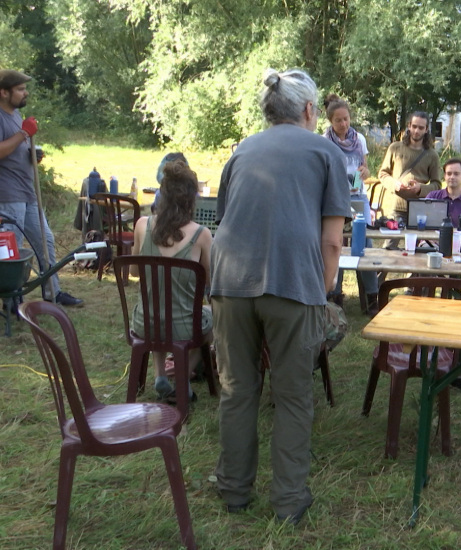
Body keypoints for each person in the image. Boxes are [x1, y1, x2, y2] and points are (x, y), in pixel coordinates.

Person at [211, 68, 350, 523]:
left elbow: (226, 219)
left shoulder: (242, 149)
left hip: (230, 281)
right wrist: (324, 293)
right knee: (292, 396)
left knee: (236, 390)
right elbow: (332, 241)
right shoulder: (325, 151)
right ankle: (289, 502)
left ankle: (233, 490)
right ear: (311, 110)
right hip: (292, 286)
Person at [130, 160, 213, 401]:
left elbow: (134, 271)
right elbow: (210, 281)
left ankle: (160, 376)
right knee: (213, 317)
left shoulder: (142, 226)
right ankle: (182, 378)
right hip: (184, 327)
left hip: (145, 323)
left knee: (158, 306)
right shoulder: (201, 235)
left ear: (161, 195)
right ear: (191, 199)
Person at [0, 70, 82, 307]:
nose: (26, 93)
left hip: (27, 192)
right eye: (20, 89)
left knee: (44, 241)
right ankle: (12, 302)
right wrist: (24, 133)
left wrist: (31, 154)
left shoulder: (16, 115)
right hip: (7, 195)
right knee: (11, 250)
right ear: (4, 92)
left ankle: (53, 292)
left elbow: (13, 149)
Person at [323, 93, 379, 316]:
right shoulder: (324, 142)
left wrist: (364, 172)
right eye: (338, 120)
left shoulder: (360, 139)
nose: (343, 124)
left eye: (346, 119)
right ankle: (335, 295)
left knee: (364, 244)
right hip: (335, 198)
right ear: (330, 121)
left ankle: (372, 296)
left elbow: (365, 168)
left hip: (357, 196)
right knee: (335, 243)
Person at [378, 111, 441, 223]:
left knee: (420, 241)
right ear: (409, 126)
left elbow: (437, 185)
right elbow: (383, 174)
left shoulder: (432, 155)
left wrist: (420, 188)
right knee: (391, 240)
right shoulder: (395, 148)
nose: (416, 131)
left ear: (426, 129)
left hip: (420, 208)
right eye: (414, 126)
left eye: (421, 128)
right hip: (396, 206)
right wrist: (394, 184)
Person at [425, 157, 461, 228]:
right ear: (444, 176)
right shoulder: (432, 197)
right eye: (449, 174)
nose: (452, 177)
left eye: (456, 174)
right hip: (432, 238)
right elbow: (422, 222)